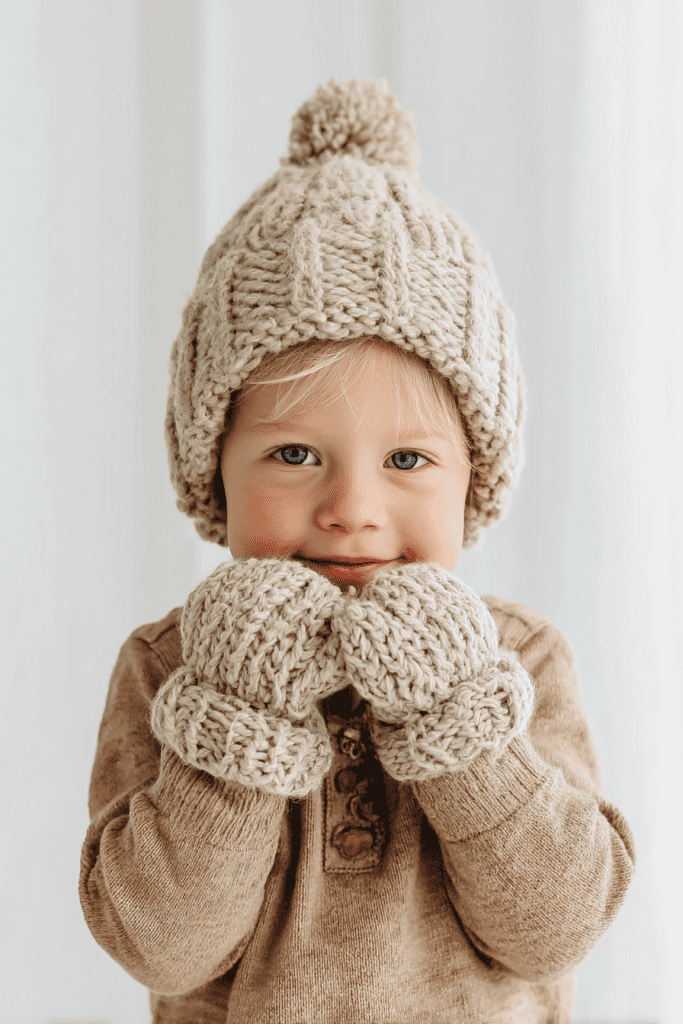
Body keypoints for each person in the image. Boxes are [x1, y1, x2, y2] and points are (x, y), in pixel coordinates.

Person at [79, 78, 636, 1024]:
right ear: (215, 472)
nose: (351, 508)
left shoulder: (519, 660)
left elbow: (555, 928)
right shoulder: (170, 668)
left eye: (408, 459)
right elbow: (157, 944)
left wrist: (462, 723)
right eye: (294, 454)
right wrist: (237, 716)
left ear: (474, 480)